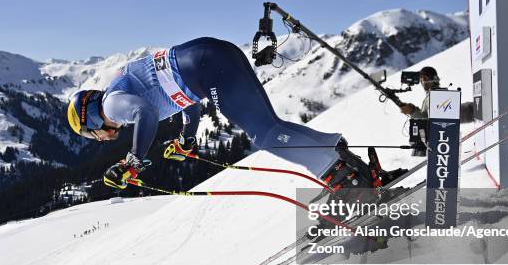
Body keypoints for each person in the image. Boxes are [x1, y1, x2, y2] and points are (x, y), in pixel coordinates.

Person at [67, 37, 377, 190]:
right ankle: (343, 161)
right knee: (271, 127)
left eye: (89, 133)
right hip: (212, 57)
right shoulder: (123, 88)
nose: (98, 138)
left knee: (265, 134)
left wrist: (132, 160)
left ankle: (348, 182)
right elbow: (186, 100)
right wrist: (187, 140)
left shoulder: (112, 104)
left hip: (209, 68)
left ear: (91, 120)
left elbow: (145, 113)